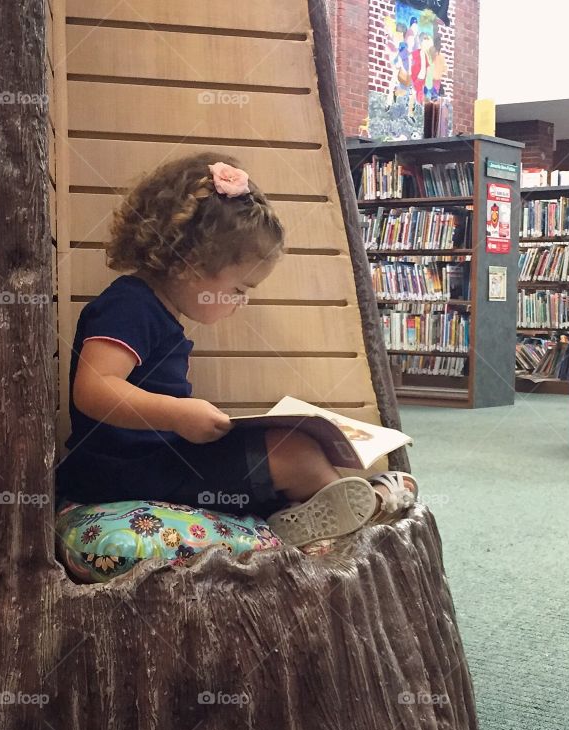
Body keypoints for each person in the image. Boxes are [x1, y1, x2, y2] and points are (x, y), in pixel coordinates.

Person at [55, 152, 416, 548]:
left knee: (291, 446)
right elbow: (93, 387)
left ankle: (328, 508)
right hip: (119, 473)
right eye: (239, 290)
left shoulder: (156, 311)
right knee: (291, 452)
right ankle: (355, 513)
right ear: (189, 264)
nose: (240, 302)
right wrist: (177, 414)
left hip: (156, 461)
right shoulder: (130, 305)